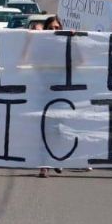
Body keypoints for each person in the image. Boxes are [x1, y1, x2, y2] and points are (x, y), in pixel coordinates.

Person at [38, 16, 65, 178]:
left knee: (58, 130)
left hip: (63, 94)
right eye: (51, 28)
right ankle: (44, 165)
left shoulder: (66, 45)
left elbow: (82, 61)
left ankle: (57, 159)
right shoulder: (39, 47)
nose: (54, 31)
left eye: (57, 28)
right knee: (44, 130)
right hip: (42, 93)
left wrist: (74, 40)